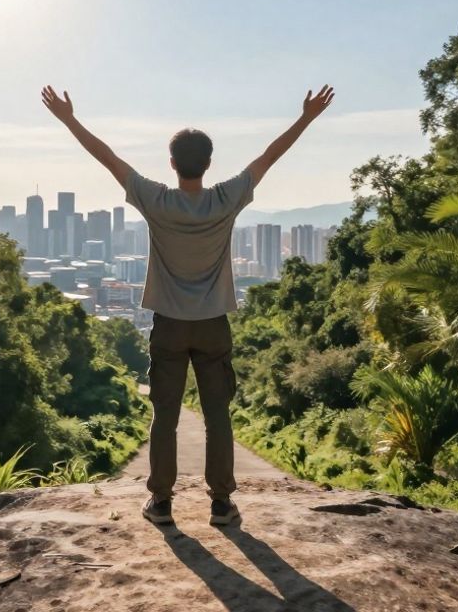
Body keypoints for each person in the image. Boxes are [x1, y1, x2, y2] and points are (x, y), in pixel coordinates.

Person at [40, 84, 335, 526]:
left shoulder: (158, 201)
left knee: (165, 416)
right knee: (218, 415)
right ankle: (221, 503)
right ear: (209, 163)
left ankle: (161, 502)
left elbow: (109, 160)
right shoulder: (225, 199)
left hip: (169, 327)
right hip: (214, 324)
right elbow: (269, 158)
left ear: (173, 164)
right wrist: (307, 116)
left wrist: (68, 119)